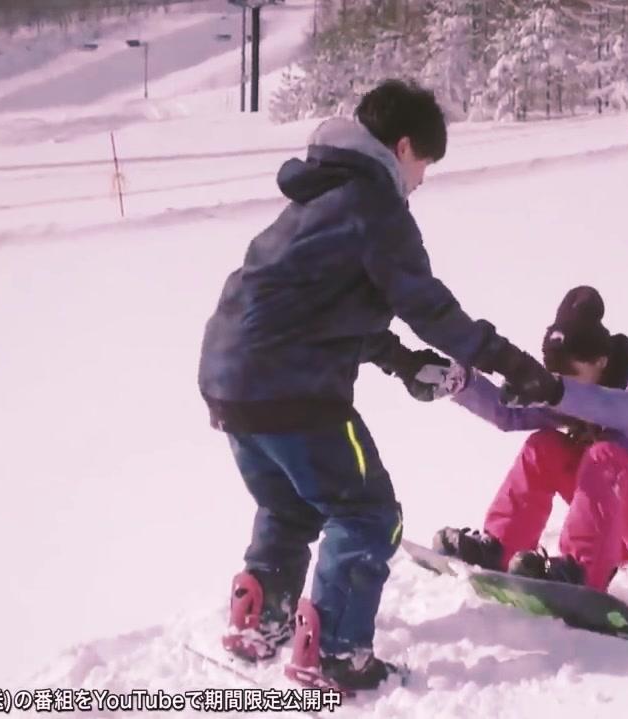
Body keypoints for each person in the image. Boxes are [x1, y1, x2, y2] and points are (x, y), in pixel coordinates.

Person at [197, 79, 560, 691]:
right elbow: (427, 305)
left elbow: (320, 304)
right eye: (423, 165)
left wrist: (398, 361)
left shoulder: (319, 199)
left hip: (229, 378)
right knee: (368, 514)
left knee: (289, 503)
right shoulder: (374, 204)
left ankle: (260, 615)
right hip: (294, 386)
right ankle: (335, 653)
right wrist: (511, 362)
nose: (420, 181)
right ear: (403, 146)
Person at [432, 285, 628, 592]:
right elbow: (511, 414)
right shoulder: (580, 390)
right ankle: (500, 550)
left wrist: (555, 391)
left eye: (569, 372)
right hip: (627, 528)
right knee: (543, 447)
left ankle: (582, 573)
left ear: (600, 361)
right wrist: (458, 382)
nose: (563, 382)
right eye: (555, 374)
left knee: (605, 456)